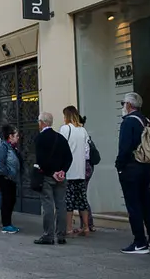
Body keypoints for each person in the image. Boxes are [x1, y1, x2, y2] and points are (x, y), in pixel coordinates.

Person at [117, 92, 150, 254]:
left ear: (129, 105)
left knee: (133, 205)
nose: (123, 106)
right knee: (145, 204)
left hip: (131, 168)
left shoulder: (128, 122)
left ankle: (140, 242)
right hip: (146, 166)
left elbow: (124, 148)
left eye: (123, 103)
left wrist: (119, 166)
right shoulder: (145, 121)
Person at [33, 112, 73, 245]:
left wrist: (52, 172)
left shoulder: (40, 138)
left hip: (47, 176)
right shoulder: (60, 138)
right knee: (61, 205)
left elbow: (41, 160)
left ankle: (48, 235)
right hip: (61, 178)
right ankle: (61, 235)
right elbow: (69, 157)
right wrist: (62, 171)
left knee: (48, 205)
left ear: (42, 122)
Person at [60, 105, 91, 237]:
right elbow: (87, 152)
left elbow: (60, 148)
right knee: (82, 199)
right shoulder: (82, 130)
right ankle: (86, 226)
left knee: (69, 201)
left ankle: (68, 228)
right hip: (81, 170)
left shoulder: (65, 129)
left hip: (69, 170)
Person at [0, 124, 22, 234]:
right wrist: (7, 174)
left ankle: (8, 223)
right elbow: (0, 163)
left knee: (11, 200)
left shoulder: (12, 147)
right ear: (10, 136)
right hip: (5, 178)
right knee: (7, 200)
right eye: (16, 135)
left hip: (11, 178)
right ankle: (6, 225)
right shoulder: (3, 147)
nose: (18, 137)